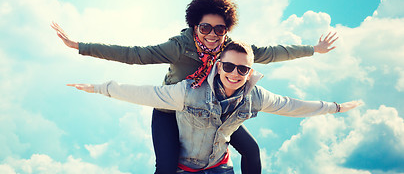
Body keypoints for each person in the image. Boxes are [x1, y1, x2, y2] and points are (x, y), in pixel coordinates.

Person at [52, 0, 338, 174]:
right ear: (194, 27)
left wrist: (314, 49)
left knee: (251, 150)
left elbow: (271, 53)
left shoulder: (232, 49)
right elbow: (134, 55)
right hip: (172, 108)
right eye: (205, 28)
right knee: (166, 167)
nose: (213, 35)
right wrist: (78, 45)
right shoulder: (179, 46)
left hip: (211, 110)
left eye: (220, 29)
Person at [68, 41, 361, 174]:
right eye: (229, 67)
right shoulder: (188, 91)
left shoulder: (253, 95)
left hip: (220, 168)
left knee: (252, 149)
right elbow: (144, 92)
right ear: (218, 65)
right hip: (184, 165)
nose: (235, 73)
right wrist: (99, 87)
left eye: (242, 70)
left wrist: (334, 107)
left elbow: (292, 105)